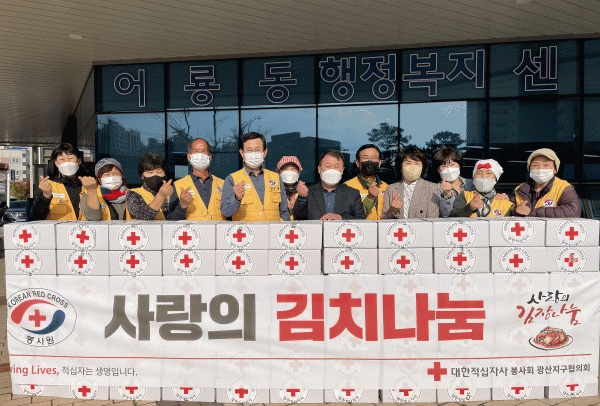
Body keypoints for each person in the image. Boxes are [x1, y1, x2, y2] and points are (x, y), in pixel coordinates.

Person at [220, 132, 290, 221]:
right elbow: (226, 212)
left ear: (265, 152)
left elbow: (284, 212)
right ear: (242, 153)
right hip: (245, 230)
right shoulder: (231, 179)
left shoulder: (276, 177)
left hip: (272, 229)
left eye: (257, 149)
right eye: (249, 150)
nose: (253, 154)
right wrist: (237, 199)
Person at [293, 150, 366, 220]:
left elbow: (361, 218)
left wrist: (340, 218)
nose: (332, 170)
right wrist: (302, 197)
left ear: (342, 170)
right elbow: (298, 217)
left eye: (336, 167)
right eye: (328, 166)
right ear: (319, 169)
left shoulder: (353, 194)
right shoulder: (309, 192)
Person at [31, 142, 94, 220]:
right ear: (56, 163)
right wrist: (45, 196)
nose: (67, 162)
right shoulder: (47, 185)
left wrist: (92, 189)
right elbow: (35, 217)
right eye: (62, 159)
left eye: (70, 158)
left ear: (79, 160)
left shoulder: (89, 184)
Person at [512, 148, 581, 218]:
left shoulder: (564, 187)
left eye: (546, 165)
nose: (540, 169)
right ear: (529, 169)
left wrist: (533, 212)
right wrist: (516, 210)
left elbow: (573, 211)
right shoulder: (520, 190)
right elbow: (509, 211)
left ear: (555, 169)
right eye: (535, 165)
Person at [169, 138, 226, 220]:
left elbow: (230, 215)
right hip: (192, 228)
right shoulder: (178, 185)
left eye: (203, 151)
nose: (200, 155)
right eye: (196, 151)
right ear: (189, 157)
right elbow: (170, 219)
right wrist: (182, 206)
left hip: (218, 228)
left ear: (210, 157)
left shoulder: (222, 184)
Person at [382, 146, 439, 219]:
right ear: (400, 167)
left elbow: (433, 218)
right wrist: (393, 211)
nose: (413, 167)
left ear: (422, 167)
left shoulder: (432, 188)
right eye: (408, 163)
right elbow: (384, 219)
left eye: (417, 163)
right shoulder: (391, 189)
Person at [126, 152, 182, 220]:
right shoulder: (133, 194)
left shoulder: (172, 192)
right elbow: (143, 216)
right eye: (150, 172)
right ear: (142, 176)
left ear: (165, 174)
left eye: (159, 172)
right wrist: (161, 196)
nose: (155, 175)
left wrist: (183, 205)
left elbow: (176, 217)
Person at [345, 144, 388, 220]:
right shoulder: (347, 186)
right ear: (357, 162)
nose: (369, 161)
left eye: (374, 158)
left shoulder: (385, 187)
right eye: (365, 158)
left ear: (379, 163)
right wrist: (370, 199)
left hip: (382, 227)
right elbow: (348, 216)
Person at [433, 147, 474, 217]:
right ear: (438, 170)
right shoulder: (435, 190)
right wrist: (446, 195)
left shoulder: (471, 184)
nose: (449, 169)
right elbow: (446, 215)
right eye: (444, 166)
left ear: (459, 165)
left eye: (452, 165)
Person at [276, 156, 303, 221]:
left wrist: (297, 207)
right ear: (278, 173)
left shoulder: (304, 192)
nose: (289, 172)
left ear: (298, 173)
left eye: (293, 169)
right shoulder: (274, 192)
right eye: (285, 169)